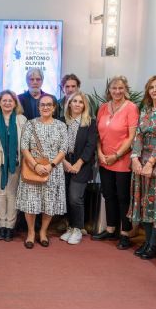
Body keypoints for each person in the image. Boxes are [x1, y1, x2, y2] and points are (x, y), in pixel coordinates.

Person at [128, 76, 156, 259]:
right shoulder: (145, 110)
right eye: (152, 87)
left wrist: (150, 162)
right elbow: (138, 135)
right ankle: (146, 241)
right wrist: (135, 158)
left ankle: (154, 244)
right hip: (140, 160)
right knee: (143, 202)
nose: (155, 90)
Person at [92, 76, 139, 250]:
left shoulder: (131, 108)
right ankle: (111, 229)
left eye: (120, 88)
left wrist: (117, 155)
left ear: (125, 88)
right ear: (109, 90)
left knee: (123, 197)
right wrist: (99, 152)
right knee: (108, 194)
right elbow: (98, 134)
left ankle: (125, 233)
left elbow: (132, 136)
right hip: (104, 160)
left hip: (122, 160)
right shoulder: (103, 107)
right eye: (114, 88)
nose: (117, 91)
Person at [16, 94, 67, 249]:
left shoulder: (60, 126)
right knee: (31, 203)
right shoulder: (30, 124)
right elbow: (24, 147)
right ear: (38, 107)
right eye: (42, 105)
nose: (45, 107)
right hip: (33, 169)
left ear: (54, 107)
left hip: (53, 171)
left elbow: (63, 149)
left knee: (49, 204)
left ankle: (43, 232)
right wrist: (36, 166)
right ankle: (31, 233)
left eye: (48, 104)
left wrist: (51, 166)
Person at [0, 90, 27, 241]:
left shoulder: (21, 119)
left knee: (12, 195)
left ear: (15, 103)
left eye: (10, 100)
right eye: (4, 100)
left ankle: (10, 227)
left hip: (16, 163)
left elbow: (26, 142)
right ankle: (1, 226)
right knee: (0, 194)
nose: (7, 103)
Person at [59, 91, 97, 245]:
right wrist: (65, 163)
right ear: (69, 104)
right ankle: (71, 227)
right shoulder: (61, 121)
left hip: (82, 164)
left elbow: (90, 146)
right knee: (67, 197)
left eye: (80, 102)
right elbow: (57, 144)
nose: (77, 104)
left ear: (84, 105)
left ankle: (78, 229)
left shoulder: (90, 122)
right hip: (64, 162)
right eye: (74, 101)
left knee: (75, 197)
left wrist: (78, 164)